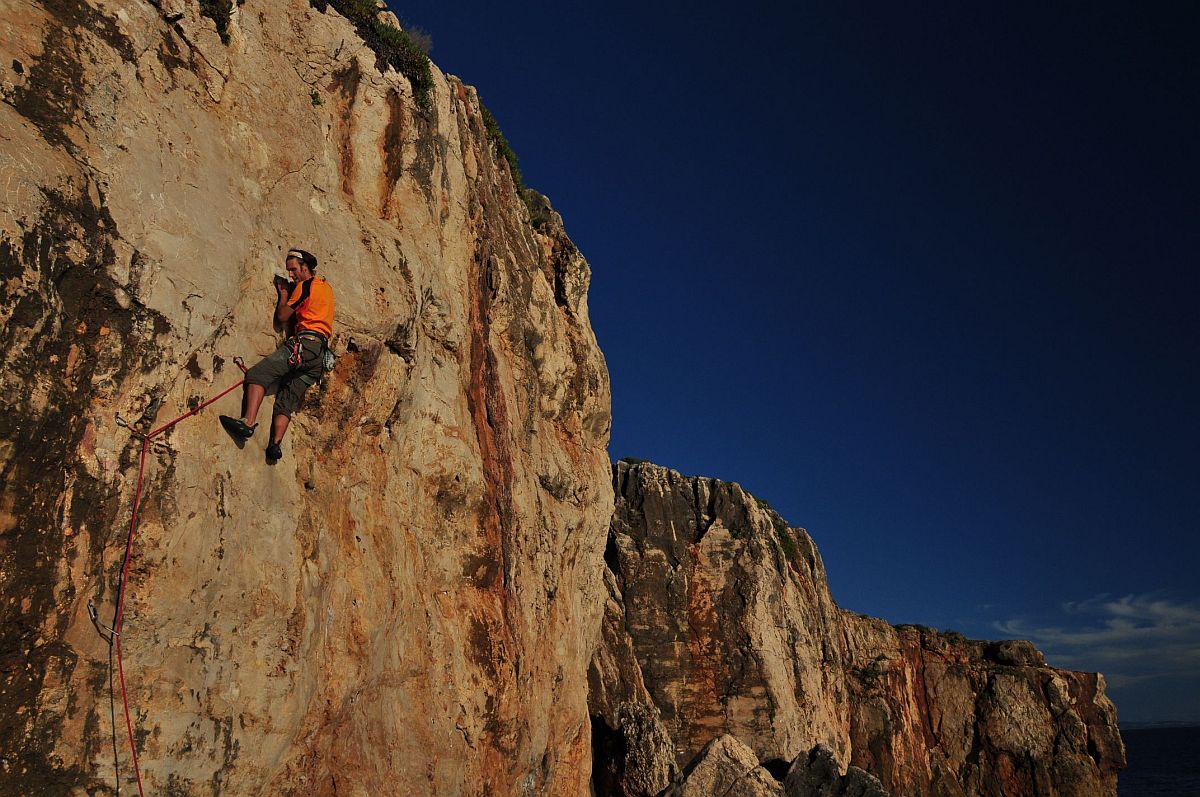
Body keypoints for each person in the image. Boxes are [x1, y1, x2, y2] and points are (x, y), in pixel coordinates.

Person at [219, 248, 335, 461]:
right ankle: (275, 446)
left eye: (294, 269)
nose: (291, 274)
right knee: (287, 399)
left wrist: (284, 295)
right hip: (319, 356)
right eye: (289, 271)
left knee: (258, 375)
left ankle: (247, 423)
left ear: (305, 267)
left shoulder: (304, 287)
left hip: (304, 345)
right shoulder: (325, 287)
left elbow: (282, 316)